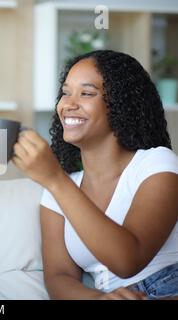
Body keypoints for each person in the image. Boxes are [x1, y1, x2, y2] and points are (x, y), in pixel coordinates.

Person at [13, 50, 178, 300]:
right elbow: (59, 277)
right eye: (66, 92)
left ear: (121, 105)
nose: (68, 104)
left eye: (87, 93)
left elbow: (128, 260)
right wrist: (97, 299)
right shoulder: (59, 188)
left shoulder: (157, 164)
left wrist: (55, 179)